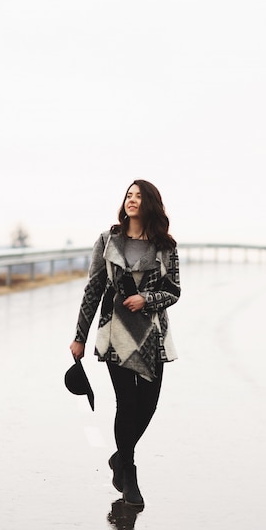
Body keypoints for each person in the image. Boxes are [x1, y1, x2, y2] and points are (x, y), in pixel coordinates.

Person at [70, 179, 181, 507]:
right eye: (128, 196)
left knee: (148, 405)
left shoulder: (166, 246)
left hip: (152, 334)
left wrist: (146, 299)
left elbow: (174, 291)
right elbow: (93, 290)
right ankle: (128, 474)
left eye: (139, 196)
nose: (132, 201)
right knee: (127, 403)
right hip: (115, 332)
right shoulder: (107, 240)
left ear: (150, 204)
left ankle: (120, 458)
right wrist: (79, 337)